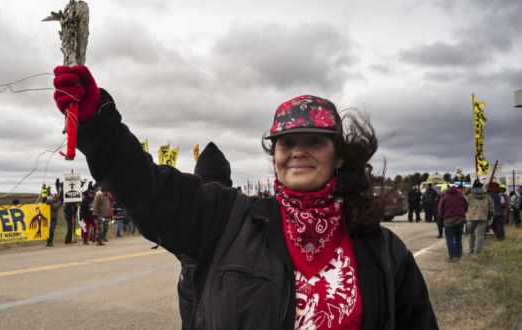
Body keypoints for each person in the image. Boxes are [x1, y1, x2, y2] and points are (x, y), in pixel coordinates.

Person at [52, 66, 437, 329]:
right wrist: (98, 126)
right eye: (287, 142)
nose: (298, 151)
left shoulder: (383, 251)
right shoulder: (228, 219)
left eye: (314, 142)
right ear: (275, 157)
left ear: (338, 156)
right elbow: (152, 191)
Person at [178, 141, 233, 330]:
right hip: (227, 270)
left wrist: (185, 259)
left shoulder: (189, 201)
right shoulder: (236, 201)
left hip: (191, 268)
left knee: (191, 323)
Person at [438, 185, 468, 261]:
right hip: (460, 219)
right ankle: (459, 255)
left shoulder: (444, 198)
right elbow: (466, 207)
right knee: (458, 239)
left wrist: (444, 216)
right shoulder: (461, 197)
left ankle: (453, 256)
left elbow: (440, 209)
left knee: (450, 239)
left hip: (449, 220)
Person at [465, 181, 494, 254]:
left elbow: (464, 206)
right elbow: (491, 208)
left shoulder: (469, 196)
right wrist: (489, 216)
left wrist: (465, 215)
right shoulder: (487, 196)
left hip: (470, 218)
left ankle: (471, 250)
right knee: (480, 235)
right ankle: (477, 252)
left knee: (470, 234)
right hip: (482, 218)